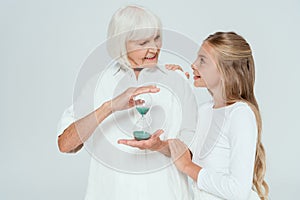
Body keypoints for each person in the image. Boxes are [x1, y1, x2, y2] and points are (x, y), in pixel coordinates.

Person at [57, 5, 197, 200]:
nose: (154, 48)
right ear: (121, 45)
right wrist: (109, 107)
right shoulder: (98, 84)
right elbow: (66, 144)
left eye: (157, 37)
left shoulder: (178, 81)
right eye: (142, 42)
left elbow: (191, 153)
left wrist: (160, 146)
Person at [167, 32, 269, 200]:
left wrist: (187, 166)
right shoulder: (204, 111)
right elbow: (181, 151)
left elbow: (238, 191)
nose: (193, 65)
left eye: (202, 60)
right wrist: (176, 89)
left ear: (226, 70)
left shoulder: (240, 114)